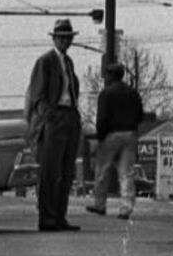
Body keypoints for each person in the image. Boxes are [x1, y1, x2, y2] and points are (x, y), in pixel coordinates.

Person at [25, 22, 84, 232]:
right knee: (50, 172)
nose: (66, 41)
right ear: (55, 39)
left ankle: (60, 217)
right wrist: (48, 116)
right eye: (62, 37)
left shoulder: (68, 62)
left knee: (66, 172)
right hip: (54, 117)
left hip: (70, 116)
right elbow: (37, 96)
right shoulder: (45, 61)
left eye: (69, 37)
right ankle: (48, 219)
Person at [89, 53, 148, 218]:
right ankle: (126, 208)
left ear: (109, 76)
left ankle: (99, 204)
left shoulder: (106, 94)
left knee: (102, 171)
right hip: (130, 134)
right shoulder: (133, 93)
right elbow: (140, 115)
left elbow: (101, 118)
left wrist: (101, 137)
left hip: (111, 135)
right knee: (126, 173)